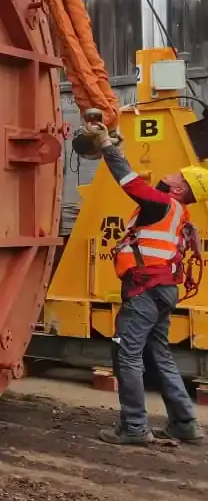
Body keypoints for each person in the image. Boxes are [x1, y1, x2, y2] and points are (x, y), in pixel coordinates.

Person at [78, 116, 204, 445]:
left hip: (146, 291)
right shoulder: (177, 213)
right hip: (163, 291)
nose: (171, 172)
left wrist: (106, 145)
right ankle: (185, 423)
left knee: (126, 353)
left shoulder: (162, 204)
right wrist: (115, 147)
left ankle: (134, 426)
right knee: (158, 353)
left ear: (178, 188)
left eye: (177, 175)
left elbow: (129, 182)